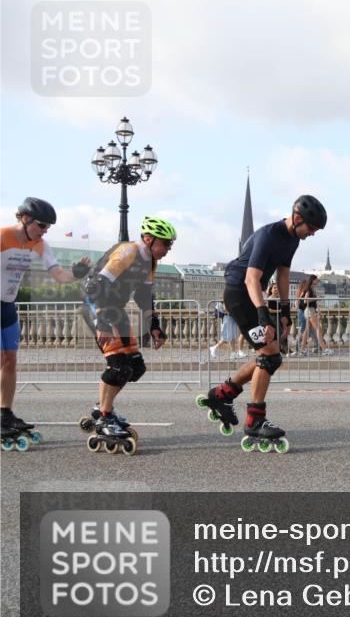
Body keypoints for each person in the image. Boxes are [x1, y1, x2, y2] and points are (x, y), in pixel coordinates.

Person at [196, 194, 326, 452]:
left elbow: (283, 274)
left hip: (251, 295)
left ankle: (221, 395)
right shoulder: (269, 235)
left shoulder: (292, 239)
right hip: (239, 293)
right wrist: (264, 313)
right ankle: (254, 420)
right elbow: (251, 279)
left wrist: (286, 310)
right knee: (269, 356)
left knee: (269, 356)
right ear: (297, 218)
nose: (312, 234)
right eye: (311, 228)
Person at [79, 216, 176, 454]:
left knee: (135, 367)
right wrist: (102, 320)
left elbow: (144, 296)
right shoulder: (128, 251)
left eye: (170, 245)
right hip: (98, 305)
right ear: (149, 239)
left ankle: (102, 407)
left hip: (117, 310)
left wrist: (154, 325)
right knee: (118, 366)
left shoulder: (150, 262)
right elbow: (96, 285)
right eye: (165, 243)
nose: (168, 249)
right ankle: (104, 417)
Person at [1, 198, 91, 450]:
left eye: (48, 227)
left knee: (10, 361)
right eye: (41, 225)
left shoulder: (40, 244)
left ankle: (4, 413)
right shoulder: (3, 236)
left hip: (7, 307)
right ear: (25, 218)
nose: (44, 230)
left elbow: (59, 276)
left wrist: (77, 274)